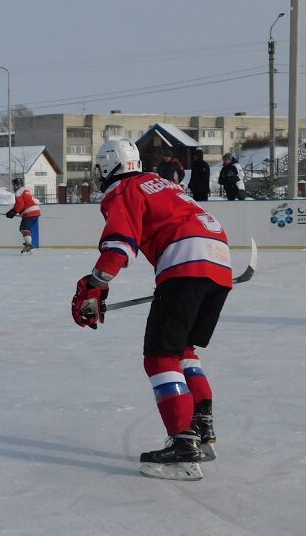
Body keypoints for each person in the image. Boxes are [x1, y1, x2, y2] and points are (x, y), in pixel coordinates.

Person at [71, 138, 231, 481]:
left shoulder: (123, 189)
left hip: (185, 263)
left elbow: (119, 246)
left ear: (107, 166)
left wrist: (94, 285)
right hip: (219, 264)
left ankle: (183, 446)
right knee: (183, 350)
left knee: (159, 357)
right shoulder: (166, 184)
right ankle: (202, 430)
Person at [5, 178, 42, 254]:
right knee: (25, 229)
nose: (13, 187)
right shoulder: (26, 190)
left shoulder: (19, 191)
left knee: (24, 228)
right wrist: (12, 211)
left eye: (14, 185)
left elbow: (20, 204)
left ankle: (29, 245)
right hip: (36, 212)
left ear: (17, 185)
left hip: (29, 213)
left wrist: (14, 211)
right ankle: (30, 248)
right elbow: (21, 204)